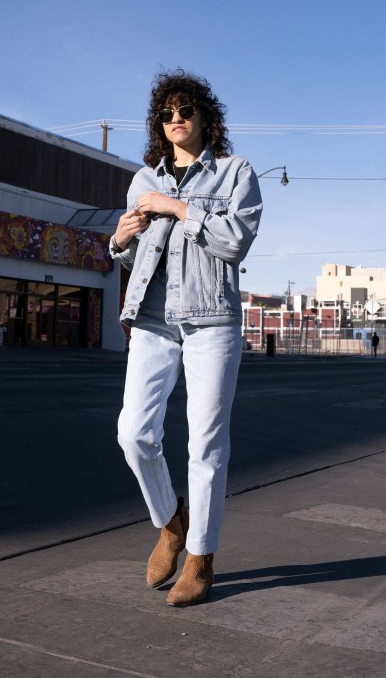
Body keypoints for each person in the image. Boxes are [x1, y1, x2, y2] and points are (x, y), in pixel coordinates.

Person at [111, 68, 262, 607]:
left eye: (186, 111)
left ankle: (200, 556)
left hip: (211, 321)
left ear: (204, 118)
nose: (176, 119)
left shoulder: (235, 173)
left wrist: (177, 207)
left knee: (206, 443)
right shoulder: (142, 181)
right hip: (153, 320)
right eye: (167, 113)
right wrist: (120, 240)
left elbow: (234, 242)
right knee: (134, 433)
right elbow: (136, 256)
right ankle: (171, 524)